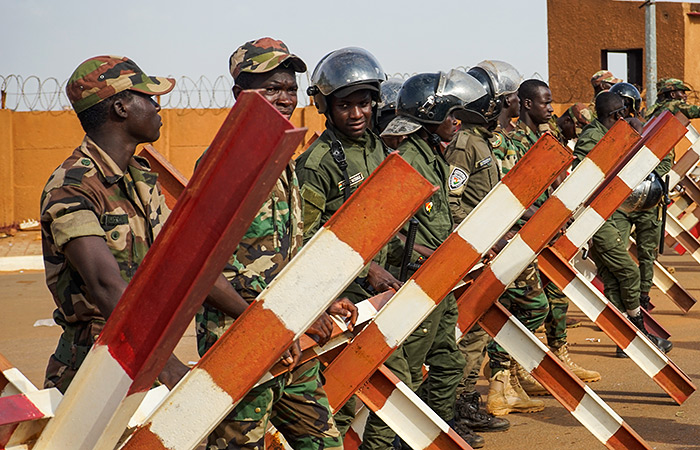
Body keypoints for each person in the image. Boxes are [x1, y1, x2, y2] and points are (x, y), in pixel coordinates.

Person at [40, 55, 251, 394]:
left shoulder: (139, 179)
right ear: (121, 108)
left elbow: (186, 263)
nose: (157, 107)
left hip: (142, 356)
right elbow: (105, 284)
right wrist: (165, 367)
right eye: (148, 98)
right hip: (92, 369)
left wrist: (253, 318)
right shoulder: (73, 186)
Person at [195, 38, 357, 450]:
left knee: (321, 439)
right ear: (239, 96)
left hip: (289, 328)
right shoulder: (226, 161)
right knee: (239, 443)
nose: (284, 98)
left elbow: (290, 248)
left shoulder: (281, 154)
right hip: (239, 333)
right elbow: (201, 269)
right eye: (271, 88)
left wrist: (315, 304)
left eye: (289, 88)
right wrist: (270, 326)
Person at [295, 46, 401, 439]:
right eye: (345, 106)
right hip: (341, 293)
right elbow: (305, 238)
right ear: (326, 106)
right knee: (345, 394)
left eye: (364, 103)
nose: (357, 114)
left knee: (386, 386)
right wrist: (366, 268)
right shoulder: (318, 163)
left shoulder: (376, 148)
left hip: (378, 285)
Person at [380, 69, 488, 448]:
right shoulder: (408, 159)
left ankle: (435, 431)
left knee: (448, 362)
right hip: (414, 278)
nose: (457, 122)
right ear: (429, 116)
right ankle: (403, 438)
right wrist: (430, 256)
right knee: (408, 367)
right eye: (450, 115)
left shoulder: (433, 156)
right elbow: (387, 230)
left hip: (438, 278)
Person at [487, 79, 600, 406]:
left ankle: (515, 375)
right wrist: (544, 216)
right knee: (529, 306)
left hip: (537, 232)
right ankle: (500, 377)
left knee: (544, 302)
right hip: (516, 235)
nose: (551, 108)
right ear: (524, 103)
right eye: (545, 102)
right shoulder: (507, 141)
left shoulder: (535, 138)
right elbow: (513, 193)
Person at [443, 60, 520, 433]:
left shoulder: (483, 141)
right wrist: (477, 239)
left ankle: (468, 401)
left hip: (487, 249)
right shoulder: (465, 146)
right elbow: (452, 203)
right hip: (471, 250)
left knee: (478, 333)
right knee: (466, 332)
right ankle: (456, 405)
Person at [575, 92, 673, 358]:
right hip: (595, 217)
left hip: (607, 212)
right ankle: (639, 334)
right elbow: (592, 177)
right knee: (628, 273)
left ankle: (626, 340)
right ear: (617, 115)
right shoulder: (593, 138)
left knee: (615, 279)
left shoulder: (610, 134)